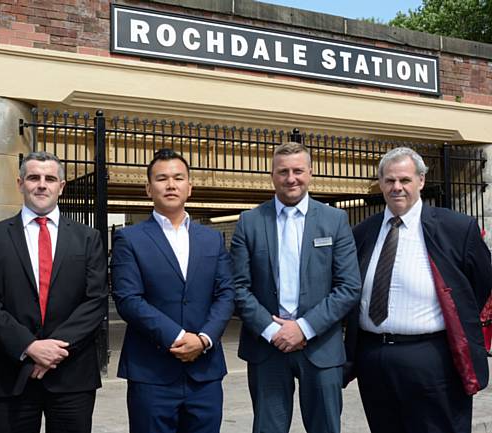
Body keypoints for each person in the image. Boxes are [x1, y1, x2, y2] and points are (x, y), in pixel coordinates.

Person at [344, 147, 492, 433]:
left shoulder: (456, 228)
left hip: (434, 360)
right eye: (389, 180)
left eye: (405, 180)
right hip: (374, 359)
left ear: (421, 181)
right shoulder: (363, 232)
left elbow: (480, 284)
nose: (396, 187)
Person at [230, 141, 361, 433]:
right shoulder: (249, 222)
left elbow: (349, 286)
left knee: (326, 427)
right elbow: (238, 287)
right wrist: (273, 330)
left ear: (311, 173)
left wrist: (303, 327)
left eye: (298, 170)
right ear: (272, 175)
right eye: (283, 171)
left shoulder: (335, 220)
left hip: (321, 346)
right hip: (267, 348)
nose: (291, 178)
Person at [111, 149, 235, 433]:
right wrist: (179, 338)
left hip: (205, 374)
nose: (170, 184)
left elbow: (226, 293)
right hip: (151, 373)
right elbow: (128, 300)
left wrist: (203, 340)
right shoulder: (129, 239)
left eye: (178, 178)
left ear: (189, 187)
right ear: (148, 189)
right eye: (162, 178)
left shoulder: (212, 239)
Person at [0, 151, 107, 433]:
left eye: (50, 178)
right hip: (9, 373)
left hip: (72, 375)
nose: (42, 184)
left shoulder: (88, 238)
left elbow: (96, 300)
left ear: (61, 186)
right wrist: (29, 346)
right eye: (33, 177)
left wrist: (53, 349)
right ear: (20, 183)